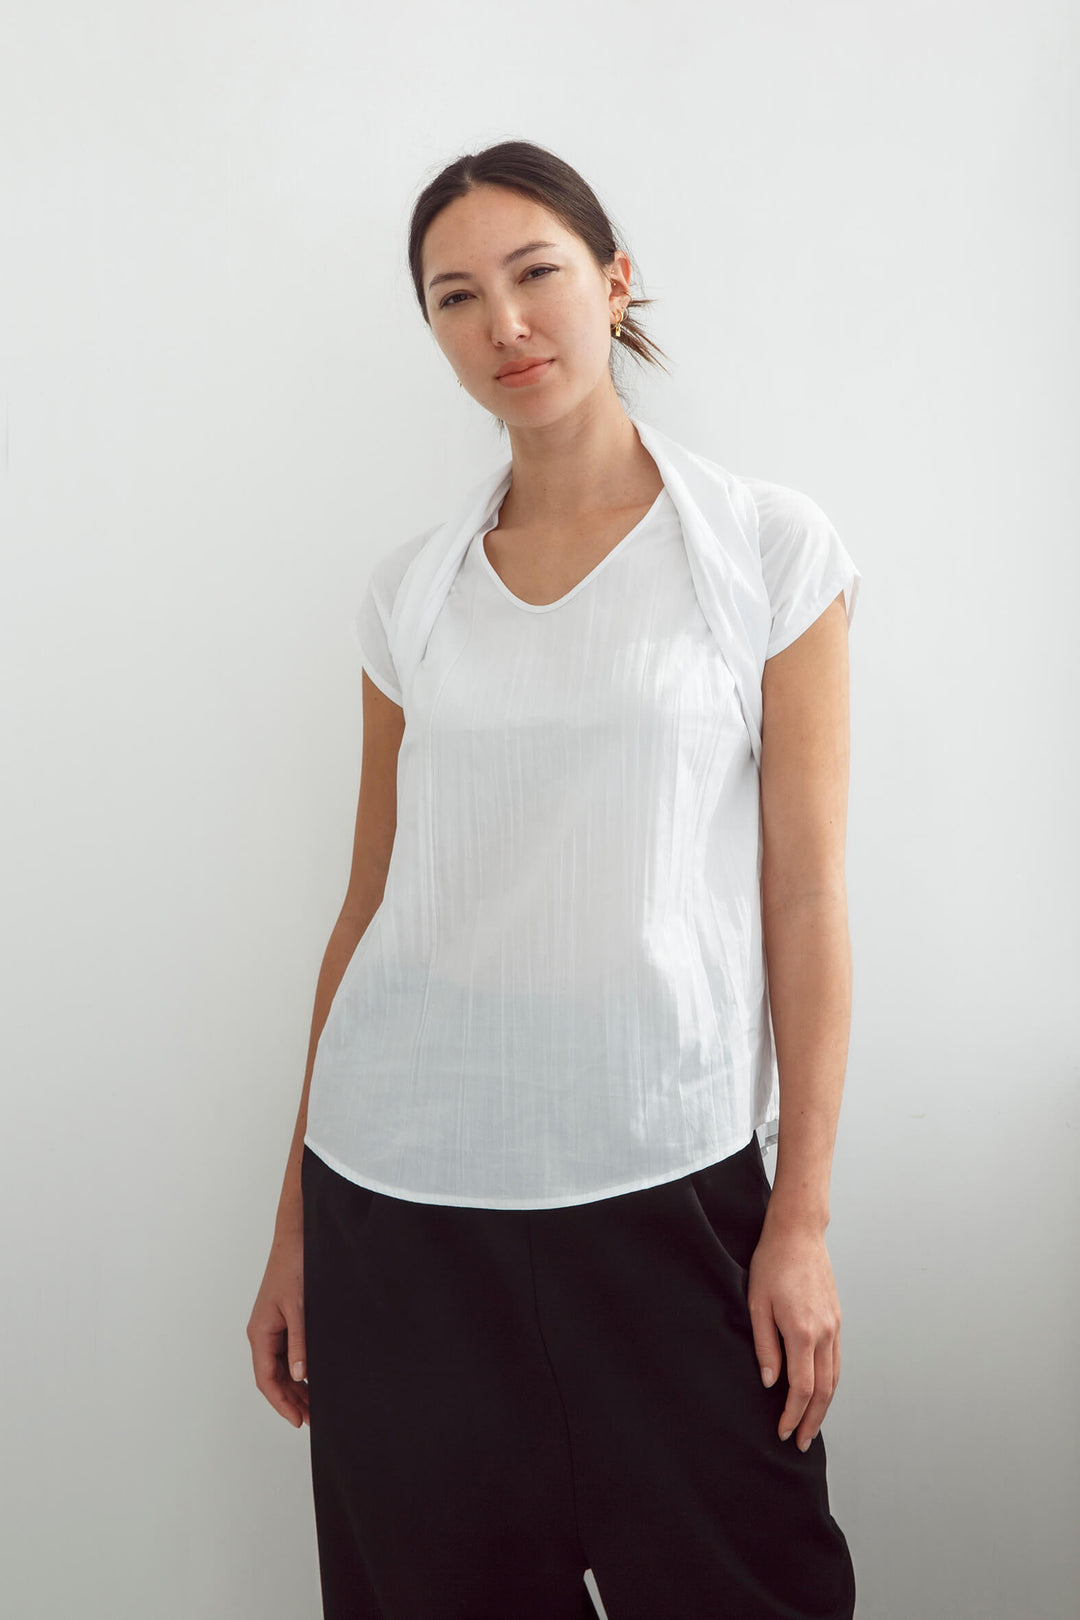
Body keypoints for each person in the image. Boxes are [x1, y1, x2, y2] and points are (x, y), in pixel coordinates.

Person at [247, 138, 861, 1620]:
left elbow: (806, 895)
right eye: (456, 298)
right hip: (401, 1204)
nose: (503, 324)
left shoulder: (765, 551)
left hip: (670, 1186)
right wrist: (290, 1231)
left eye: (535, 274)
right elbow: (369, 904)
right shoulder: (413, 592)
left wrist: (804, 1220)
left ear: (613, 281)